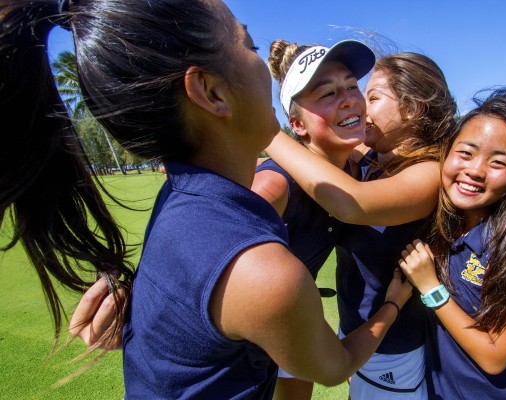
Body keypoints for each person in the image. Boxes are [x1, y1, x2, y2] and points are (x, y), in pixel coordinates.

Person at [0, 1, 413, 399]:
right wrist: (393, 304)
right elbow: (334, 366)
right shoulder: (262, 267)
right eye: (249, 45)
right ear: (211, 91)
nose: (263, 69)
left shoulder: (186, 196)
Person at [264, 51, 457, 399]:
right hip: (355, 330)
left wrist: (261, 131)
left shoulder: (428, 173)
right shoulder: (369, 158)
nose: (360, 106)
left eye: (371, 96)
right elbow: (319, 155)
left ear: (412, 109)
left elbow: (351, 203)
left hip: (394, 346)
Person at [398, 87, 506, 399]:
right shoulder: (437, 226)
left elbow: (494, 357)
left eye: (498, 163)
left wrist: (431, 288)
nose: (475, 170)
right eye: (465, 153)